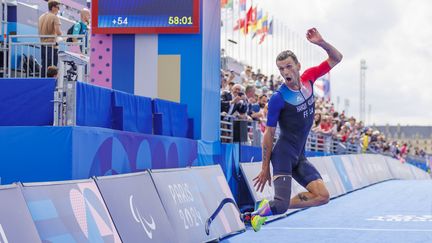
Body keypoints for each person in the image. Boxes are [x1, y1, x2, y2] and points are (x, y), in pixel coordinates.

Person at [250, 28, 343, 232]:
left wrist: (321, 42)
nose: (285, 72)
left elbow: (337, 58)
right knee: (281, 207)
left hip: (299, 156)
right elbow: (268, 134)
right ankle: (264, 211)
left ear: (298, 66)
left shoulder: (309, 78)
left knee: (322, 196)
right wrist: (265, 167)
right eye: (281, 69)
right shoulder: (278, 98)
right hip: (283, 154)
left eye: (289, 67)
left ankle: (267, 208)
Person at [38, 0, 62, 77]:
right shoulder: (54, 17)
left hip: (43, 45)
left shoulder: (41, 17)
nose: (59, 10)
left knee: (44, 66)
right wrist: (62, 36)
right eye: (58, 7)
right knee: (52, 69)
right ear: (53, 7)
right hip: (51, 46)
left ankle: (42, 84)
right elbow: (58, 32)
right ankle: (51, 86)